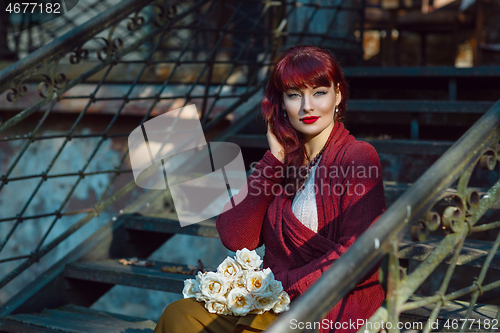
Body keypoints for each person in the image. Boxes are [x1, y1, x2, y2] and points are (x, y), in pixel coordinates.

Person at [153, 45, 386, 333]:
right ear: (282, 104)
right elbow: (235, 236)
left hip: (328, 304)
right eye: (294, 95)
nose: (307, 106)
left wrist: (281, 286)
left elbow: (360, 253)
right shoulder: (284, 163)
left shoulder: (358, 156)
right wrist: (273, 160)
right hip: (276, 300)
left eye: (319, 92)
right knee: (181, 316)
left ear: (337, 94)